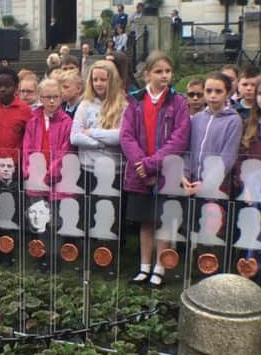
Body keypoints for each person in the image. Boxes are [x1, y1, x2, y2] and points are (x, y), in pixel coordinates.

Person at [120, 51, 191, 287]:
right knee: (146, 221)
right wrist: (141, 164)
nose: (164, 76)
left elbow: (179, 139)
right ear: (147, 74)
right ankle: (144, 267)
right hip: (140, 173)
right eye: (159, 71)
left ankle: (160, 267)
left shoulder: (178, 102)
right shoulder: (134, 100)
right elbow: (127, 135)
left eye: (167, 71)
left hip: (165, 172)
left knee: (163, 221)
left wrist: (152, 164)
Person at [182, 72, 242, 197]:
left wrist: (207, 184)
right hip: (192, 184)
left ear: (227, 93)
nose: (213, 95)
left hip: (217, 187)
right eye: (208, 91)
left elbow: (228, 158)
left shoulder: (233, 120)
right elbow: (188, 149)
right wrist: (185, 176)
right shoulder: (197, 118)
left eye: (218, 91)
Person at [70, 60, 127, 185]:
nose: (98, 83)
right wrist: (101, 144)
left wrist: (91, 132)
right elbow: (75, 137)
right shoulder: (84, 105)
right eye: (95, 80)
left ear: (112, 81)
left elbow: (120, 136)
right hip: (88, 170)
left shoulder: (123, 105)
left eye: (103, 79)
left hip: (116, 171)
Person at [22, 78, 73, 200]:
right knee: (37, 217)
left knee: (57, 217)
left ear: (61, 97)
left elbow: (65, 152)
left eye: (55, 97)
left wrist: (49, 175)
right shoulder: (32, 121)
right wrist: (30, 173)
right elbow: (26, 150)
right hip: (35, 181)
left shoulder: (67, 122)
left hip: (59, 182)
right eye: (47, 97)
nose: (51, 101)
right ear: (40, 98)